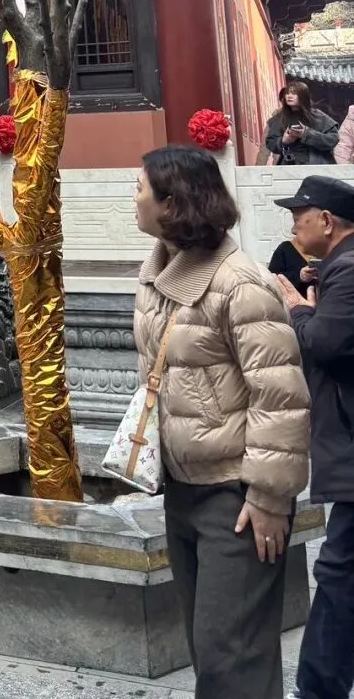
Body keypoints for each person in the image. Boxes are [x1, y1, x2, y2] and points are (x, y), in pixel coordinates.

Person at [133, 145, 309, 699]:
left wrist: (269, 497)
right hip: (182, 487)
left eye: (141, 189)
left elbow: (280, 396)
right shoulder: (156, 274)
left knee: (231, 656)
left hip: (236, 496)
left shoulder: (240, 283)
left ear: (172, 203)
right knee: (208, 651)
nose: (134, 199)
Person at [272, 175, 354, 699]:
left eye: (299, 217)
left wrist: (299, 309)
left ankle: (319, 689)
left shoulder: (347, 270)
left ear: (326, 220)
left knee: (339, 573)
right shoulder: (338, 269)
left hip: (349, 445)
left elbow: (326, 342)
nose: (294, 228)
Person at [265, 81, 339, 166]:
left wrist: (307, 134)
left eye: (294, 93)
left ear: (303, 95)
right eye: (287, 93)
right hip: (289, 166)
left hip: (317, 164)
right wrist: (283, 141)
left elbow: (333, 139)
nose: (289, 96)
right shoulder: (279, 118)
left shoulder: (318, 116)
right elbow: (270, 142)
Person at [268, 234, 317, 298]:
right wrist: (299, 276)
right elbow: (271, 278)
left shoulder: (325, 250)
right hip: (293, 301)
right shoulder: (285, 248)